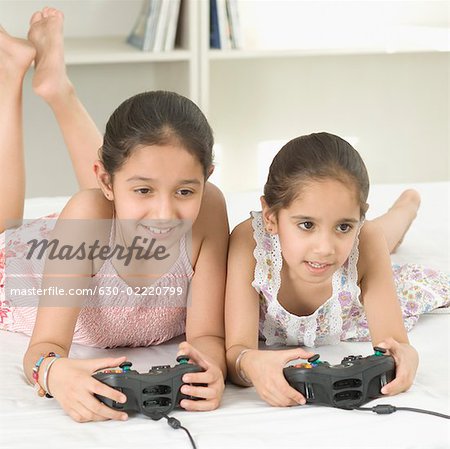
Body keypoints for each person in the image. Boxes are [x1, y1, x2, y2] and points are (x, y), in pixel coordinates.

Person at [0, 8, 228, 422]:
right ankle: (7, 73)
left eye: (185, 190)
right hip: (25, 265)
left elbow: (207, 335)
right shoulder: (90, 212)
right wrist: (54, 374)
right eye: (144, 190)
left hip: (97, 225)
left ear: (206, 178)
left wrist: (211, 367)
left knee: (122, 190)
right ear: (106, 182)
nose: (165, 214)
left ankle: (56, 87)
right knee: (5, 228)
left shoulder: (209, 207)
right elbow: (44, 346)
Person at [225, 132, 449, 407]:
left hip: (348, 312)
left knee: (377, 236)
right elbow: (237, 350)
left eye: (344, 226)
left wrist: (407, 355)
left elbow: (396, 343)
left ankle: (406, 207)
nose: (324, 248)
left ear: (359, 218)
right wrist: (249, 363)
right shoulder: (249, 241)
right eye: (307, 225)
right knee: (372, 239)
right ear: (271, 217)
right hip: (358, 244)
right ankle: (395, 215)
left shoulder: (365, 238)